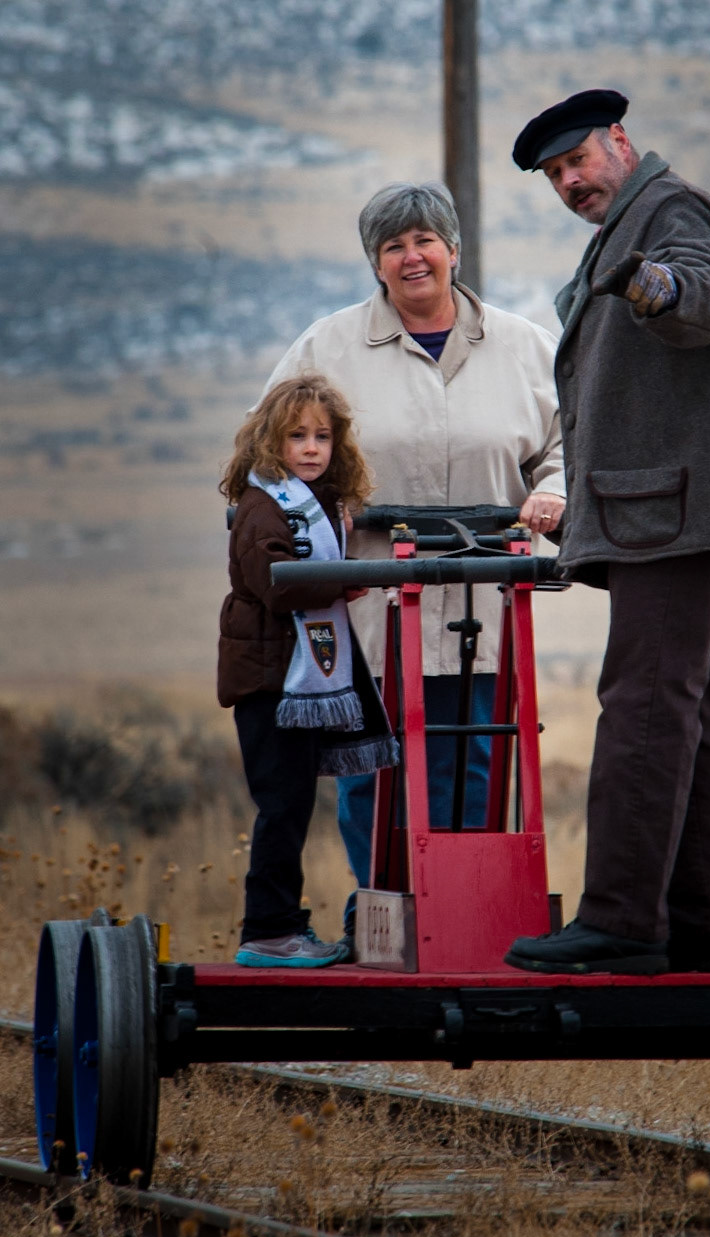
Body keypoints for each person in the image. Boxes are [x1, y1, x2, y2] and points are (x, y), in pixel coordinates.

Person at [504, 89, 710, 975]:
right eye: (554, 175)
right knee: (686, 707)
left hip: (678, 516)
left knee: (639, 703)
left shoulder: (670, 214)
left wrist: (648, 281)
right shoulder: (630, 222)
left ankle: (622, 923)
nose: (567, 182)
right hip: (672, 514)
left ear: (620, 143)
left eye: (577, 161)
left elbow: (700, 298)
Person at [257, 182, 565, 950]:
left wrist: (552, 494)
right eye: (392, 246)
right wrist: (319, 509)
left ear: (454, 250)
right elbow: (268, 458)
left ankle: (476, 920)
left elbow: (571, 448)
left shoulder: (526, 347)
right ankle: (387, 914)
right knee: (372, 774)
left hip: (490, 604)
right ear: (375, 263)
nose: (411, 257)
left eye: (424, 240)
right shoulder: (325, 349)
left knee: (476, 760)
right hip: (366, 607)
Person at [218, 372, 398, 968]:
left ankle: (281, 925)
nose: (312, 448)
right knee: (282, 808)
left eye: (323, 436)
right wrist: (352, 580)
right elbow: (275, 584)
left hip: (290, 678)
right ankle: (269, 931)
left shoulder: (313, 505)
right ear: (272, 442)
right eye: (297, 436)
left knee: (292, 806)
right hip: (270, 683)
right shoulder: (262, 506)